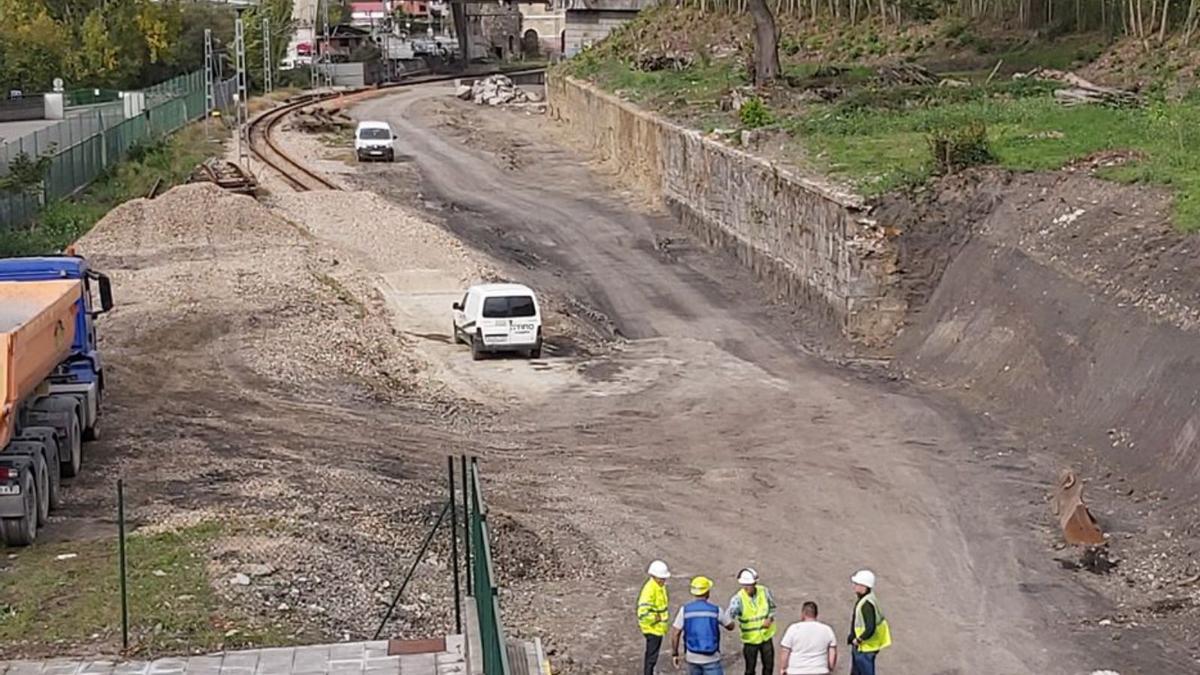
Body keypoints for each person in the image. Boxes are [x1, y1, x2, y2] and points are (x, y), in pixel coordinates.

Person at [670, 576, 735, 675]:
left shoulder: (685, 610)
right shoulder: (715, 610)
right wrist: (730, 614)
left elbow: (675, 632)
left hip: (692, 657)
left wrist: (675, 653)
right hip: (712, 658)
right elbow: (730, 626)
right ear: (708, 592)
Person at [728, 568, 777, 675]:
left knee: (768, 667)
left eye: (749, 585)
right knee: (750, 670)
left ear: (754, 584)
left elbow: (772, 608)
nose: (746, 588)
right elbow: (729, 616)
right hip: (750, 640)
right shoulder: (738, 599)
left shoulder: (764, 591)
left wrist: (770, 618)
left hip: (766, 637)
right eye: (744, 585)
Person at [846, 570, 892, 675]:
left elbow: (870, 627)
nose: (854, 586)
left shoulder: (866, 604)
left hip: (865, 648)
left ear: (864, 586)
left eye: (857, 584)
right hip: (865, 647)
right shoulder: (869, 599)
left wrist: (858, 639)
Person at [778, 601, 837, 675]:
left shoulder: (794, 629)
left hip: (796, 671)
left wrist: (783, 668)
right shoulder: (827, 629)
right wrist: (830, 668)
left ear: (803, 614)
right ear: (816, 614)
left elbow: (785, 651)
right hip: (820, 670)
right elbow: (832, 653)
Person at [638, 560, 671, 675]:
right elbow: (642, 612)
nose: (663, 580)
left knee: (653, 654)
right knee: (651, 656)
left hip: (657, 628)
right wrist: (655, 618)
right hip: (652, 628)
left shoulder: (658, 587)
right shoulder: (650, 590)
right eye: (661, 578)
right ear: (654, 576)